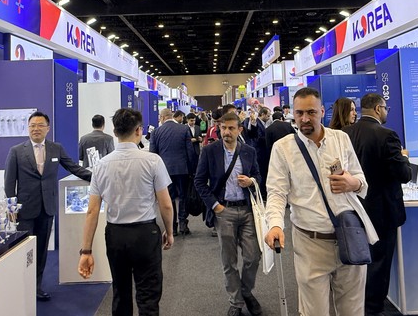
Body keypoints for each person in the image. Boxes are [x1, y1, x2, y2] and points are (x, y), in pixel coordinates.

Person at [264, 87, 377, 316]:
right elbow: (276, 192)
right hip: (310, 242)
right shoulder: (283, 148)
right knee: (314, 312)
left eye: (311, 112)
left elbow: (362, 181)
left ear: (322, 111)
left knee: (353, 310)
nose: (305, 119)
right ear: (293, 114)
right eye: (299, 113)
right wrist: (275, 224)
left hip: (349, 236)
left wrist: (352, 183)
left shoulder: (341, 139)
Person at [78, 108, 174, 315]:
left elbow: (92, 211)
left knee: (120, 292)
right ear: (139, 130)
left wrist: (86, 251)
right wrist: (169, 231)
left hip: (116, 235)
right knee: (148, 295)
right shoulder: (153, 161)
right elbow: (166, 204)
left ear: (114, 132)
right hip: (146, 233)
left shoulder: (101, 165)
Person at [4, 111, 92, 301]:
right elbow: (9, 182)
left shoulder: (55, 148)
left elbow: (73, 167)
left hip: (47, 207)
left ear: (48, 128)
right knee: (24, 250)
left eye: (40, 125)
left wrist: (96, 177)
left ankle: (36, 286)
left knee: (42, 249)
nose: (36, 129)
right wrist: (11, 207)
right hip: (24, 209)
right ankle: (20, 287)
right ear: (28, 128)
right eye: (32, 126)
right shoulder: (16, 151)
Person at [343, 93, 412, 316]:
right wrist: (404, 159)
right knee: (379, 263)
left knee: (356, 262)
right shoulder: (387, 135)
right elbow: (403, 174)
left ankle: (357, 306)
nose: (386, 112)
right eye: (385, 108)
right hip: (382, 209)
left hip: (353, 207)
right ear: (377, 109)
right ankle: (373, 309)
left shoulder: (345, 133)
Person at [194, 112, 262, 316]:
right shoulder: (210, 151)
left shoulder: (249, 151)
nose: (226, 132)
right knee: (229, 261)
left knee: (253, 257)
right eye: (223, 128)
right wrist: (215, 206)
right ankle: (236, 302)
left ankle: (246, 291)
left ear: (239, 130)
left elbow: (258, 175)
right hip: (224, 211)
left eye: (231, 128)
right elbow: (199, 181)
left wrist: (251, 181)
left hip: (247, 210)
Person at [150, 109, 196, 236]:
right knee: (183, 196)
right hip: (182, 169)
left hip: (164, 171)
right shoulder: (184, 129)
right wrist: (192, 170)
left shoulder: (156, 132)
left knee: (169, 198)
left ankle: (172, 227)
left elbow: (153, 154)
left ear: (162, 117)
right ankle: (183, 223)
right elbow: (190, 151)